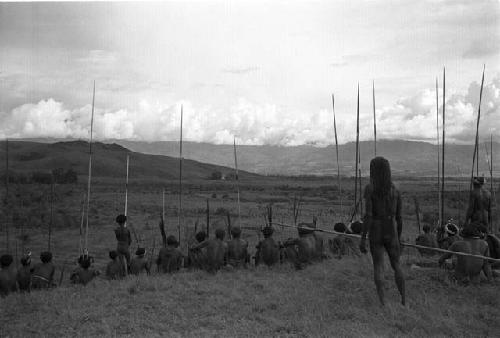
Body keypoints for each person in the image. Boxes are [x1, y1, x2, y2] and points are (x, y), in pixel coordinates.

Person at [359, 157, 405, 306]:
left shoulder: (370, 189)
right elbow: (399, 218)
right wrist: (399, 236)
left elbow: (368, 216)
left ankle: (383, 303)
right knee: (397, 265)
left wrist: (363, 237)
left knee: (378, 266)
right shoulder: (396, 189)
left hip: (377, 230)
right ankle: (404, 300)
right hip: (391, 229)